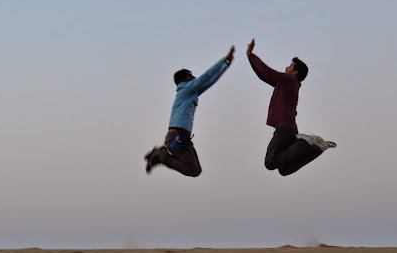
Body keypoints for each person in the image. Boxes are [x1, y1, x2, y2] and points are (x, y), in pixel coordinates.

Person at [246, 38, 336, 176]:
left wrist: (251, 55)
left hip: (285, 128)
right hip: (287, 128)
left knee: (270, 162)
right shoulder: (284, 84)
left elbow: (268, 71)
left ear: (295, 72)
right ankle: (316, 148)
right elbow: (263, 75)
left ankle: (305, 142)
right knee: (284, 170)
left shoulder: (290, 81)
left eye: (290, 65)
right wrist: (249, 57)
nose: (286, 67)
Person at [144, 46, 235, 176]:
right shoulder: (186, 89)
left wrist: (226, 65)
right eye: (190, 75)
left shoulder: (191, 93)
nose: (194, 77)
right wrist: (224, 60)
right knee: (193, 170)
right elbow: (206, 76)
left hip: (182, 137)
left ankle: (159, 156)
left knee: (196, 170)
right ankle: (161, 155)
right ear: (183, 79)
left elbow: (211, 81)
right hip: (177, 136)